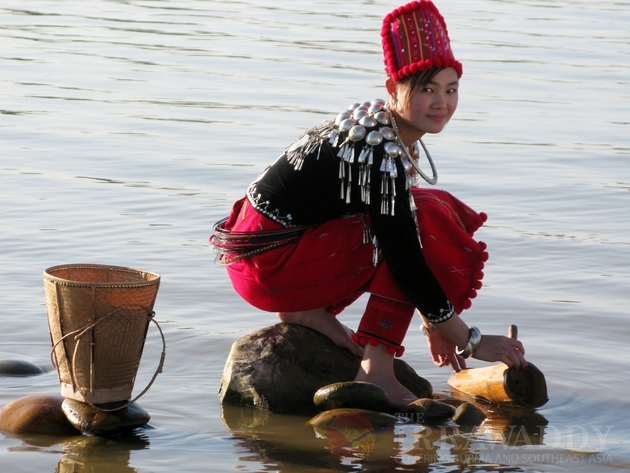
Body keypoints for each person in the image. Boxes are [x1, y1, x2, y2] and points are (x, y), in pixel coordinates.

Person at [211, 0, 527, 409]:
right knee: (426, 220)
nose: (441, 103)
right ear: (393, 91)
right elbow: (406, 261)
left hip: (261, 259)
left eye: (451, 90)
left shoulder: (373, 127)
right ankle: (377, 370)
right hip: (270, 265)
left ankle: (306, 310)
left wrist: (434, 319)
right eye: (426, 89)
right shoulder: (380, 154)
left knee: (426, 208)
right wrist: (468, 339)